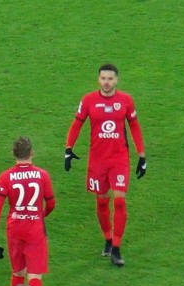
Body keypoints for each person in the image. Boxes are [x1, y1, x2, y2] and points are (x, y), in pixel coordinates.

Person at [65, 63, 146, 267]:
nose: (107, 82)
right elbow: (77, 123)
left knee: (119, 202)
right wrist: (68, 148)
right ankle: (108, 239)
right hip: (97, 160)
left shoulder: (125, 101)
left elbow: (134, 126)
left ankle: (116, 249)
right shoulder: (88, 100)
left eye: (110, 78)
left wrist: (141, 155)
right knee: (102, 202)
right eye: (103, 78)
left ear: (116, 80)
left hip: (119, 159)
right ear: (98, 79)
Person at [0, 137, 56, 286]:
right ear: (32, 153)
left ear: (13, 153)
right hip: (35, 230)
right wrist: (41, 215)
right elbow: (51, 203)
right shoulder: (42, 175)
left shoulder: (5, 177)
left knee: (18, 272)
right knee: (34, 275)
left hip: (15, 229)